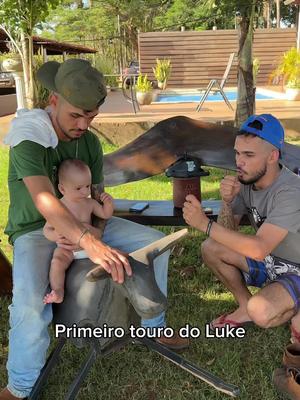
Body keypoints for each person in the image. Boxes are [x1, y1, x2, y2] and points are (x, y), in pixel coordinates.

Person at [1, 59, 188, 400]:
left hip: (88, 223)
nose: (84, 124)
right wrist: (87, 240)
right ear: (54, 100)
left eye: (91, 115)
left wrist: (97, 228)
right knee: (29, 301)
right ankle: (19, 387)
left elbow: (98, 195)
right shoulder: (29, 136)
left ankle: (153, 328)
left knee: (155, 243)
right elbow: (44, 198)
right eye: (76, 115)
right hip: (36, 230)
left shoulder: (88, 143)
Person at [183, 114, 300, 340]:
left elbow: (258, 248)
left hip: (296, 268)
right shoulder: (246, 181)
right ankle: (244, 306)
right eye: (237, 153)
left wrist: (204, 224)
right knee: (210, 247)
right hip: (271, 263)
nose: (239, 162)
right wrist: (227, 202)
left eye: (248, 155)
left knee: (262, 311)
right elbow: (226, 234)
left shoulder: (291, 191)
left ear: (272, 156)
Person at [43, 159, 114, 304]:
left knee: (107, 258)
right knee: (57, 262)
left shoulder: (89, 203)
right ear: (62, 189)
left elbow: (105, 214)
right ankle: (58, 290)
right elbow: (47, 230)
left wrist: (108, 203)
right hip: (66, 249)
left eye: (87, 186)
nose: (85, 191)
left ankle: (111, 288)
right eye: (78, 188)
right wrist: (56, 234)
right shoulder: (58, 207)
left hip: (89, 247)